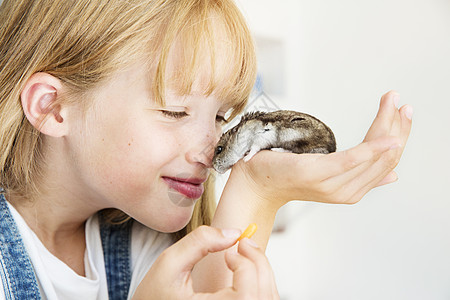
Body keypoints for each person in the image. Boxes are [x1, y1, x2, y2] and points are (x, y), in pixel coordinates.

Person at [0, 0, 412, 299]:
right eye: (175, 111)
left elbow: (210, 290)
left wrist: (259, 188)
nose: (211, 145)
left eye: (220, 117)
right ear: (52, 107)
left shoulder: (140, 240)